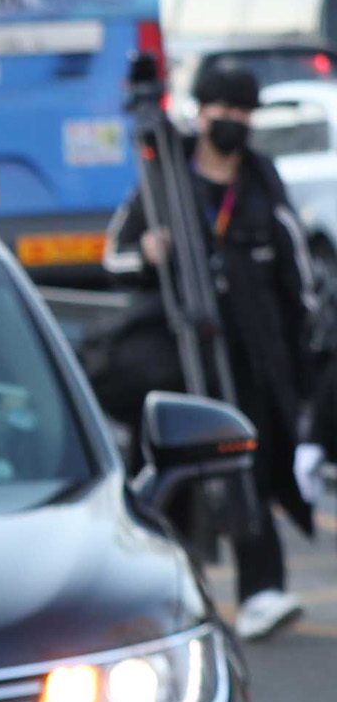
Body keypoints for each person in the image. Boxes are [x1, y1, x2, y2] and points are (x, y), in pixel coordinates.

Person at [105, 59, 313, 640]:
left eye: (244, 112)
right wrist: (147, 253)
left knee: (254, 462)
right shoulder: (164, 183)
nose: (234, 122)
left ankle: (261, 592)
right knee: (177, 475)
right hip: (181, 355)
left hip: (252, 355)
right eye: (224, 110)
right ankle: (172, 594)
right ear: (201, 112)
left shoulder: (261, 185)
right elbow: (113, 258)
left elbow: (298, 276)